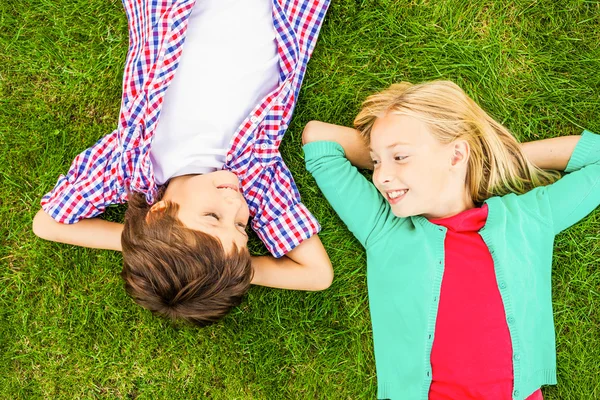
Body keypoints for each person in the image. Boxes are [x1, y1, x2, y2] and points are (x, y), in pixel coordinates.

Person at [32, 0, 333, 327]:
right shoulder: (255, 176)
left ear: (158, 212)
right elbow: (317, 274)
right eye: (241, 228)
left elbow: (47, 224)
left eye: (213, 217)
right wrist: (225, 266)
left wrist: (145, 242)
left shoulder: (130, 163)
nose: (235, 206)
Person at [302, 80, 599, 399]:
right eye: (375, 161)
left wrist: (492, 161)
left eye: (400, 156)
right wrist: (399, 162)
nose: (380, 176)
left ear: (457, 155)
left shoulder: (525, 220)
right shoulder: (385, 229)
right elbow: (318, 138)